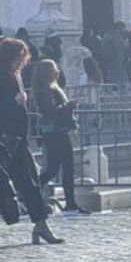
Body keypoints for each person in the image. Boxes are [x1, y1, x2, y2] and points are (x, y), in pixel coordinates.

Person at [0, 38, 63, 245]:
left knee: (29, 182)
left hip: (17, 138)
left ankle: (41, 224)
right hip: (3, 138)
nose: (22, 61)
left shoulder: (14, 76)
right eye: (20, 57)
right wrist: (13, 102)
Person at [30, 59, 83, 215]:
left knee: (53, 169)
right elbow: (50, 111)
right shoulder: (45, 90)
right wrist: (69, 106)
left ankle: (30, 191)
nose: (58, 71)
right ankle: (70, 203)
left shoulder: (48, 88)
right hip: (56, 132)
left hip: (54, 132)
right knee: (66, 168)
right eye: (55, 69)